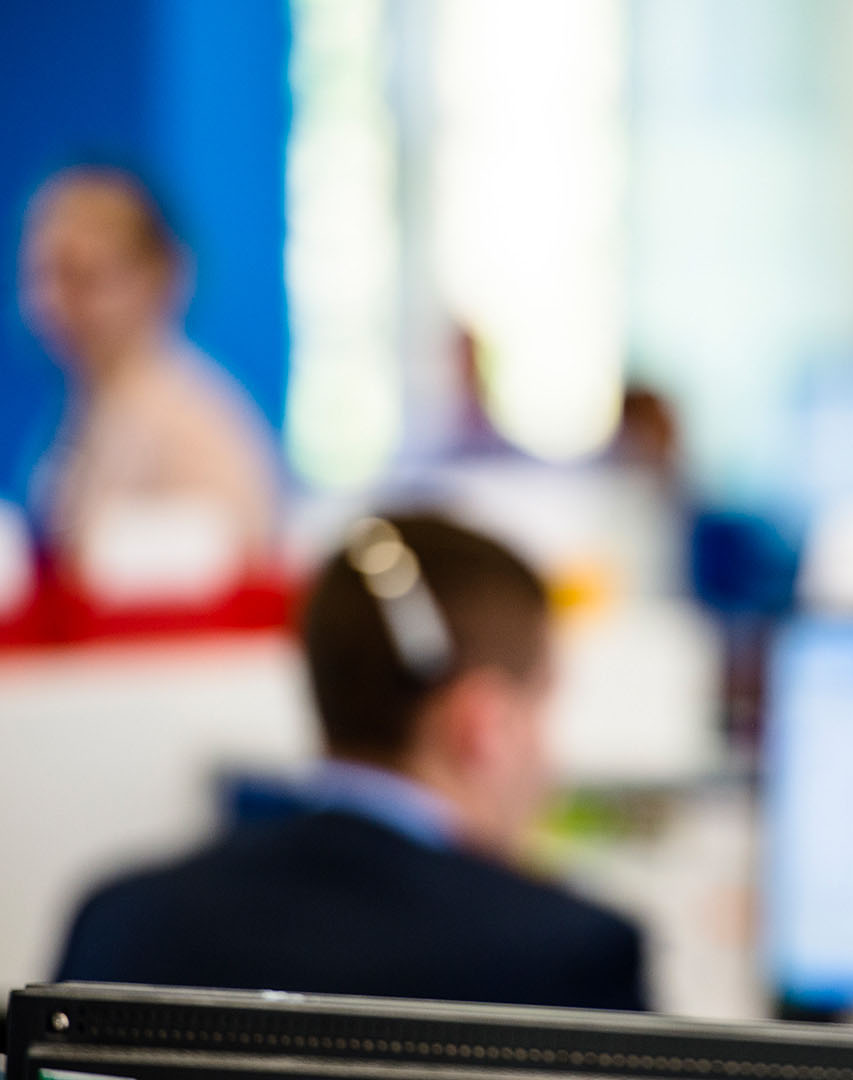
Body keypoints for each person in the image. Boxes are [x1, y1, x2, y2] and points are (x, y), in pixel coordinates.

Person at [56, 513, 647, 1011]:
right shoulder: (573, 953)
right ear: (483, 725)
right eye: (542, 708)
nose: (550, 759)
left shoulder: (123, 920)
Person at [20, 165, 278, 580]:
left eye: (82, 278)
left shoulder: (195, 423)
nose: (53, 303)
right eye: (41, 276)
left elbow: (236, 566)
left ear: (157, 277)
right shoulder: (87, 408)